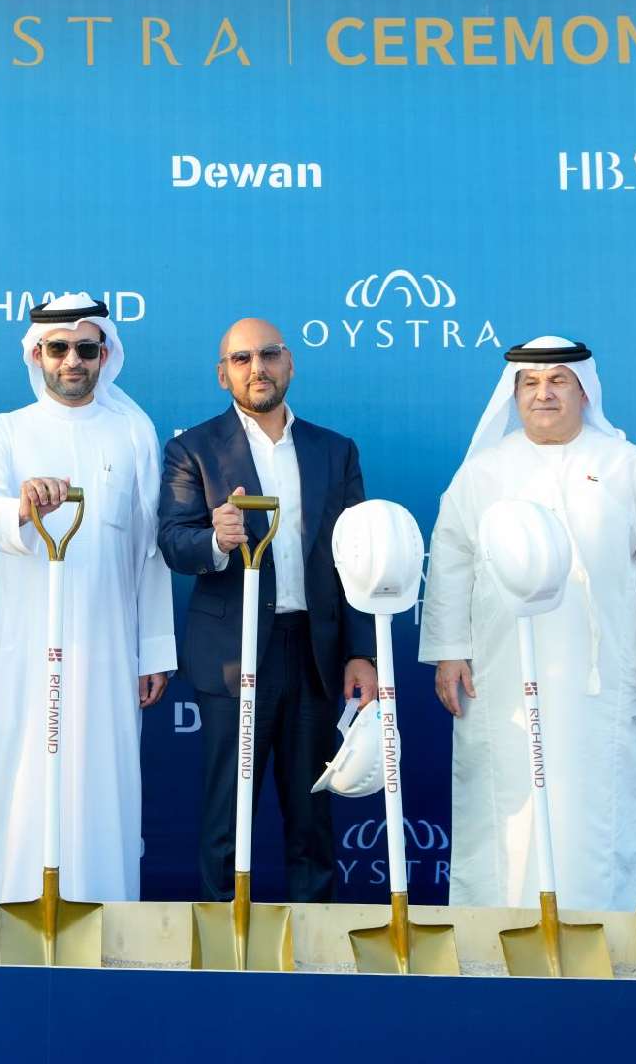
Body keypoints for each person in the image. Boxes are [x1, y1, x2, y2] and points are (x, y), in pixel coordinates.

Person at [419, 336, 636, 912]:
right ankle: (492, 937)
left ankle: (601, 939)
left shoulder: (627, 466)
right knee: (503, 813)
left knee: (596, 808)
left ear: (583, 390)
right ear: (512, 395)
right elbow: (451, 560)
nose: (544, 395)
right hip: (500, 676)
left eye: (559, 381)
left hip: (603, 681)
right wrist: (449, 650)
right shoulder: (483, 472)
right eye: (531, 384)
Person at [157, 317, 379, 903]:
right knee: (229, 813)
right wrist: (216, 538)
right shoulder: (193, 449)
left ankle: (315, 947)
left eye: (269, 355)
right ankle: (221, 944)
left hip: (315, 652)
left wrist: (361, 652)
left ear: (290, 364)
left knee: (313, 818)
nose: (257, 368)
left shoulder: (336, 450)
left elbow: (353, 559)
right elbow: (174, 541)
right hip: (233, 656)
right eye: (241, 359)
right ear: (222, 374)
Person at [0, 292, 175, 904]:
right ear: (37, 354)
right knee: (21, 781)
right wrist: (25, 507)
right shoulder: (4, 432)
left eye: (87, 348)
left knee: (101, 785)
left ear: (104, 353)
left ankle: (105, 918)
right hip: (25, 652)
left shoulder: (132, 433)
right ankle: (10, 911)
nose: (72, 361)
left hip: (110, 650)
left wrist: (154, 648)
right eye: (58, 348)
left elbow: (149, 547)